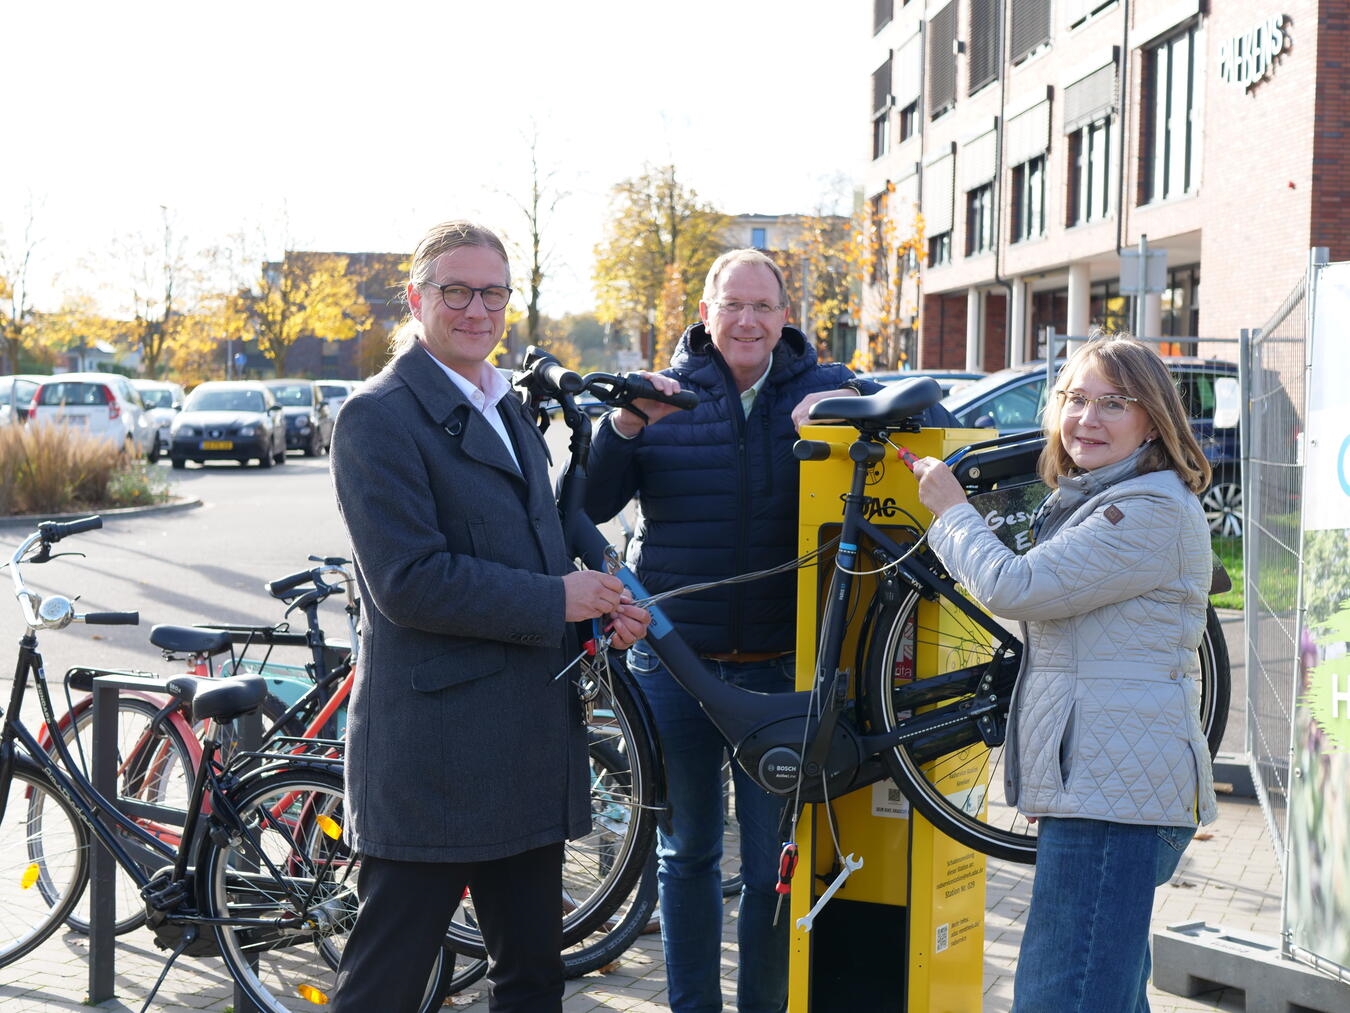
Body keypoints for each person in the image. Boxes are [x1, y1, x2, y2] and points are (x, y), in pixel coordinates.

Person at [584, 248, 957, 1013]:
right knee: (685, 853)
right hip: (675, 665)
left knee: (769, 867)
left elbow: (938, 427)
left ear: (787, 316)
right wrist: (623, 422)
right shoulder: (665, 394)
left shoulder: (828, 385)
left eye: (763, 306)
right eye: (733, 305)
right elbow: (589, 499)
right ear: (706, 313)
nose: (747, 320)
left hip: (783, 668)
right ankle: (693, 1005)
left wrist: (851, 411)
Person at [327, 219, 650, 1013]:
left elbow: (537, 559)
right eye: (456, 290)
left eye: (494, 292)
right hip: (435, 760)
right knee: (383, 989)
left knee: (534, 981)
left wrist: (596, 614)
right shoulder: (378, 416)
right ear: (416, 298)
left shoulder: (507, 408)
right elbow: (410, 582)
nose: (478, 308)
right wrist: (559, 599)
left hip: (526, 746)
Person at [910, 334, 1219, 1012]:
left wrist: (952, 510)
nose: (1087, 418)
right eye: (1076, 399)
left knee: (1063, 996)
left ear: (1153, 417)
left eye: (1114, 403)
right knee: (1104, 993)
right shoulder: (1101, 496)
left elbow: (1016, 587)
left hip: (1111, 797)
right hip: (1105, 784)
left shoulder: (1146, 509)